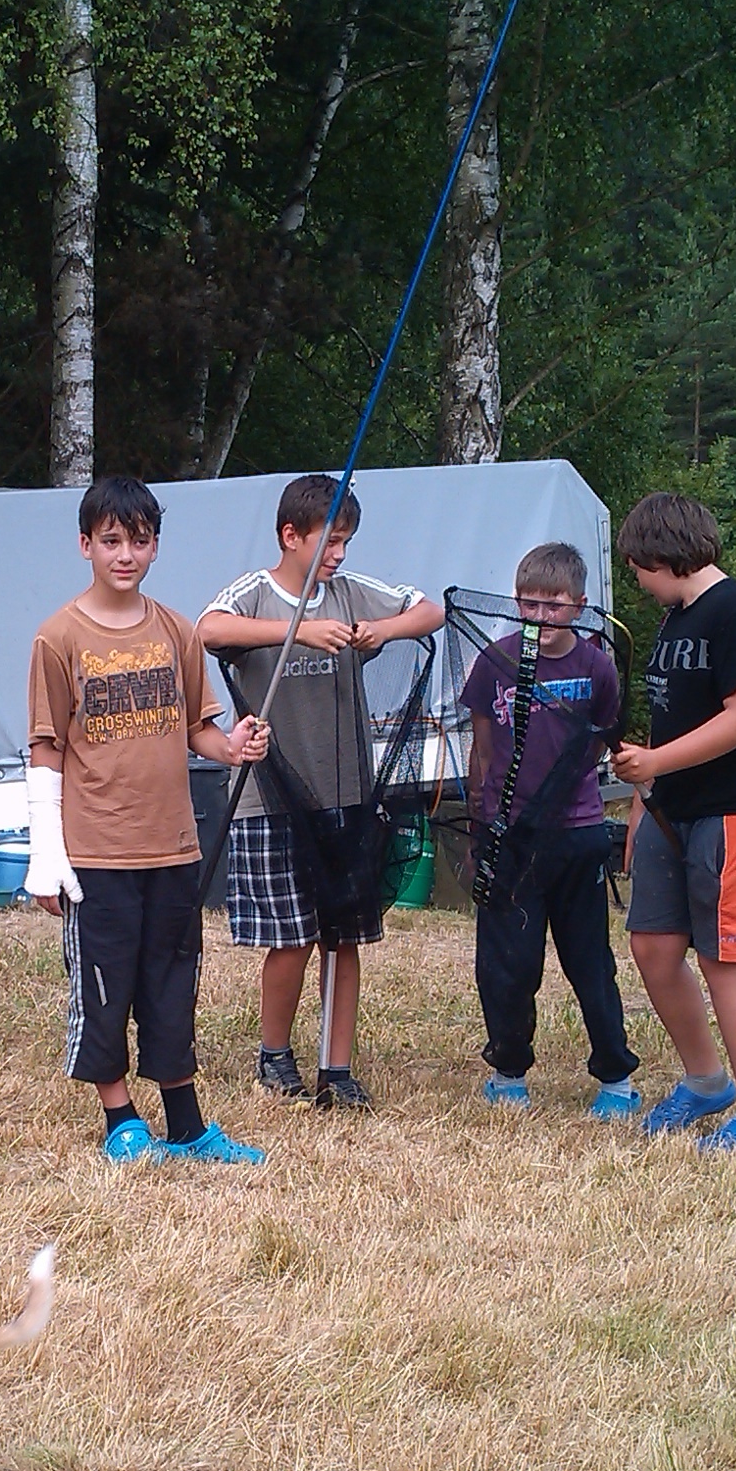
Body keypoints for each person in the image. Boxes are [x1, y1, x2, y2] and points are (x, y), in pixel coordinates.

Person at [23, 475, 273, 1165]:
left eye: (138, 541)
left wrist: (234, 746)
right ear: (85, 545)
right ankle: (121, 1120)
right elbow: (45, 747)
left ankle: (187, 1125)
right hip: (97, 855)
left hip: (174, 849)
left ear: (155, 546)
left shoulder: (177, 631)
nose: (125, 555)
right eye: (111, 541)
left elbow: (199, 730)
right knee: (106, 987)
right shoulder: (57, 638)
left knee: (171, 986)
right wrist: (46, 853)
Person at [197, 473, 441, 1109]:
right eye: (329, 542)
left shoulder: (350, 591)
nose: (338, 554)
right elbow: (207, 630)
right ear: (290, 535)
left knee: (343, 935)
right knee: (292, 937)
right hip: (270, 798)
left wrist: (383, 631)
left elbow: (429, 609)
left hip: (346, 794)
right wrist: (298, 630)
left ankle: (338, 1067)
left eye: (346, 542)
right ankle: (275, 1055)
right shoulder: (256, 593)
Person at [606, 492, 736, 1150]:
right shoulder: (674, 620)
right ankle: (707, 1082)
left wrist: (656, 760)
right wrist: (642, 799)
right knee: (653, 949)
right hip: (669, 809)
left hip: (731, 811)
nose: (637, 581)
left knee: (723, 961)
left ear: (661, 556)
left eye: (637, 568)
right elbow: (667, 719)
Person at [459, 541, 641, 1119]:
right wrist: (480, 826)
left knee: (590, 961)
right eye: (527, 604)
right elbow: (483, 749)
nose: (539, 617)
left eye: (553, 605)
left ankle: (615, 1077)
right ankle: (509, 1071)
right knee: (509, 962)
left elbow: (606, 741)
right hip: (509, 836)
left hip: (577, 832)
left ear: (579, 605)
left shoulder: (596, 666)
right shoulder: (494, 661)